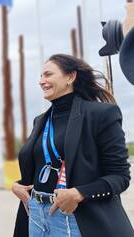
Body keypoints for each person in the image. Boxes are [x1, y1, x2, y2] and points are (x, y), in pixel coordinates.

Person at [12, 54, 133, 237]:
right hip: (36, 214)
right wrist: (18, 186)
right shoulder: (40, 121)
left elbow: (120, 176)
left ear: (70, 77)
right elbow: (40, 165)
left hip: (74, 216)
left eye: (48, 75)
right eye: (40, 76)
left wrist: (78, 194)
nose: (41, 81)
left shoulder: (101, 114)